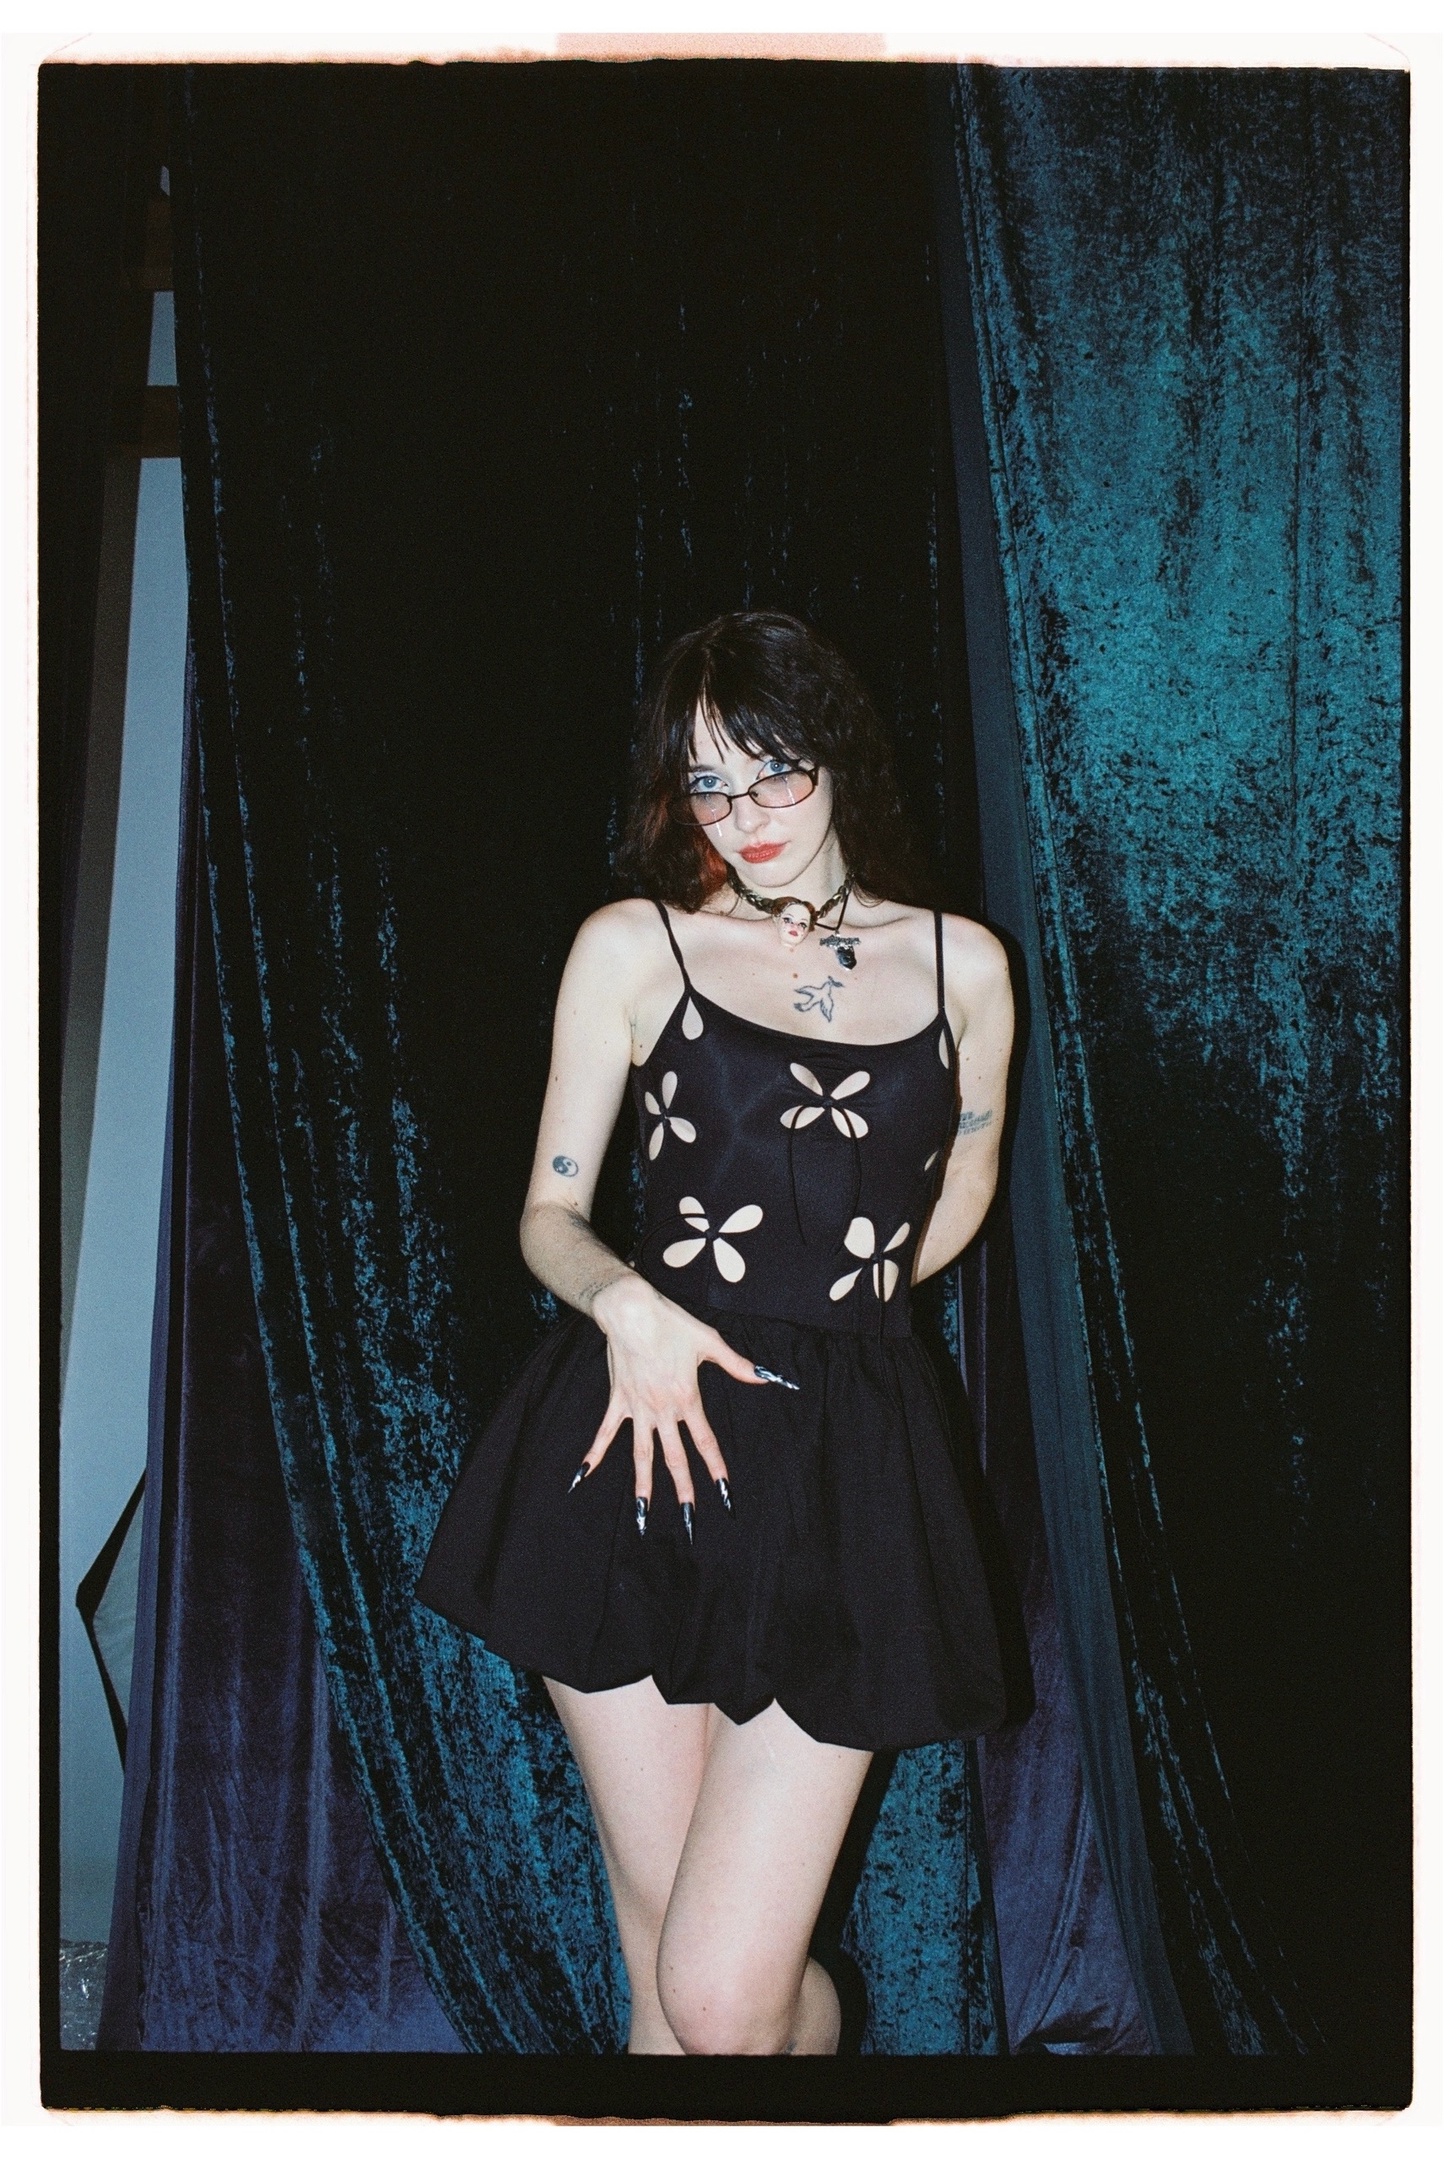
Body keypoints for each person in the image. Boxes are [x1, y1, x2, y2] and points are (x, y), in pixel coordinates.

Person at [419, 611, 1013, 2055]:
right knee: (660, 1970)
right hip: (634, 1437)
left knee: (725, 1995)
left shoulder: (962, 966)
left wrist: (839, 1304)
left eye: (775, 770)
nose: (746, 814)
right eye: (708, 784)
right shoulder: (636, 946)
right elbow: (549, 1213)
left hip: (842, 1460)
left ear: (838, 756)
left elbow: (963, 1188)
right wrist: (627, 1301)